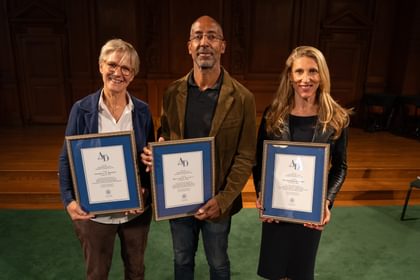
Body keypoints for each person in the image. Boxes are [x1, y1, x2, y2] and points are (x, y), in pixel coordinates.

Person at [142, 15, 256, 280]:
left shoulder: (243, 98)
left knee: (218, 262)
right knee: (182, 259)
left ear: (223, 46)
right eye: (198, 36)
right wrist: (158, 147)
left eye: (212, 36)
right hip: (178, 198)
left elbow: (246, 155)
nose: (205, 42)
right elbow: (166, 132)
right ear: (189, 46)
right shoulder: (172, 92)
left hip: (217, 201)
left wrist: (223, 199)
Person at [58, 38, 155, 280]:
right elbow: (66, 157)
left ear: (132, 76)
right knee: (97, 274)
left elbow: (147, 160)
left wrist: (146, 183)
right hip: (95, 213)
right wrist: (69, 200)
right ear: (101, 66)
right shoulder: (81, 110)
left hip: (135, 213)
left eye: (126, 68)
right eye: (112, 65)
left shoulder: (142, 111)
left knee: (136, 272)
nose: (118, 73)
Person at [253, 46, 351, 280]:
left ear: (322, 75)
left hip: (310, 212)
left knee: (300, 272)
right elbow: (259, 161)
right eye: (299, 72)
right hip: (278, 208)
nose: (305, 79)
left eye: (312, 71)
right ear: (290, 76)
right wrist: (262, 196)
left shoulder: (336, 118)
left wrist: (326, 202)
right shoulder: (272, 114)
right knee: (275, 271)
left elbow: (340, 167)